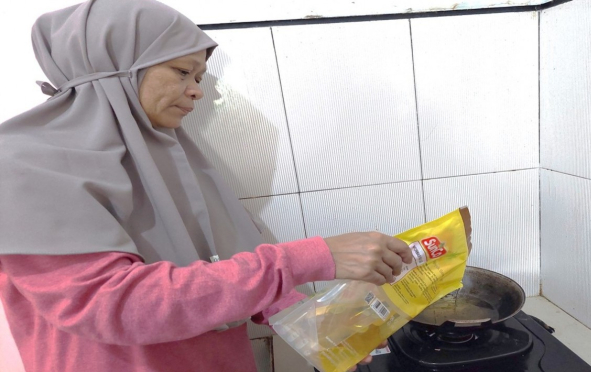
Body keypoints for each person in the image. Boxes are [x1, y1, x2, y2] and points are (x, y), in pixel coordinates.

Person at [0, 0, 413, 371]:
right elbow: (116, 306)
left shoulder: (169, 156)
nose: (198, 91)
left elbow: (222, 260)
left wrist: (306, 321)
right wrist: (304, 260)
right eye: (183, 71)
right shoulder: (22, 164)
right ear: (118, 68)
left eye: (199, 75)